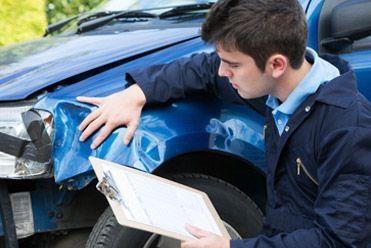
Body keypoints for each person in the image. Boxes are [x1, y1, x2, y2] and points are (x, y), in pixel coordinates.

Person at [77, 0, 371, 247]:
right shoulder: (275, 84)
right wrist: (137, 93)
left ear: (277, 64)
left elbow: (339, 240)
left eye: (232, 64)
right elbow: (203, 70)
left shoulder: (347, 127)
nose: (222, 71)